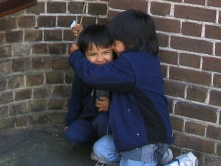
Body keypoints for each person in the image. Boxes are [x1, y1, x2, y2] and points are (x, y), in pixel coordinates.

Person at [69, 10, 173, 166]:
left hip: (143, 140)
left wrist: (76, 54)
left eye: (115, 43)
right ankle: (157, 155)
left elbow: (93, 75)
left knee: (133, 158)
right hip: (137, 133)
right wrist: (85, 32)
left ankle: (161, 158)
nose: (112, 47)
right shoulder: (144, 57)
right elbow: (102, 49)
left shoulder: (129, 66)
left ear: (129, 41)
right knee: (101, 149)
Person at [64, 24, 113, 147]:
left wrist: (112, 105)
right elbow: (76, 98)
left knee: (103, 121)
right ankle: (96, 145)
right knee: (72, 134)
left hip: (110, 118)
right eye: (93, 54)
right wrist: (69, 122)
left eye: (106, 52)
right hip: (89, 117)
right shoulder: (83, 73)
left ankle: (106, 149)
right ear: (84, 56)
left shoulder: (116, 70)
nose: (100, 59)